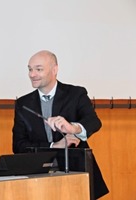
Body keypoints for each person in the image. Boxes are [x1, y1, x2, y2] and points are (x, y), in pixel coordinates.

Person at [12, 50, 109, 199]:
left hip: (77, 175)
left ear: (54, 70)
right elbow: (18, 146)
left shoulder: (76, 94)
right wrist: (53, 145)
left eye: (38, 69)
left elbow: (94, 122)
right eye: (30, 69)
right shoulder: (23, 104)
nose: (32, 74)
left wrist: (73, 128)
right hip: (39, 180)